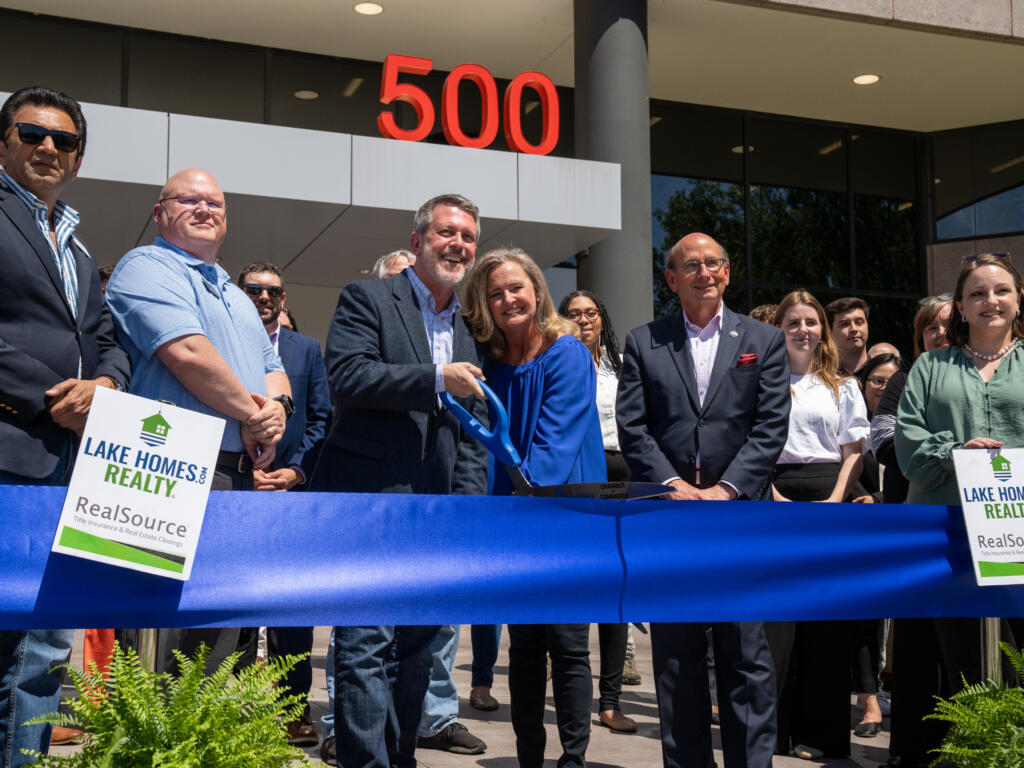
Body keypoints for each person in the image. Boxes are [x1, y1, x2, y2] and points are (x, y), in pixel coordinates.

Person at [310, 193, 489, 768]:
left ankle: (401, 756)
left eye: (467, 236)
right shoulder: (368, 297)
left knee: (416, 647)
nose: (456, 244)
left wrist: (464, 509)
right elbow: (351, 376)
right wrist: (437, 377)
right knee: (364, 644)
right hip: (369, 504)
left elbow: (472, 434)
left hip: (434, 516)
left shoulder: (469, 325)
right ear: (418, 241)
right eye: (445, 232)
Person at [106, 168, 292, 676]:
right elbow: (187, 353)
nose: (205, 210)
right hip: (165, 468)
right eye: (188, 200)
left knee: (221, 632)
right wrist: (257, 414)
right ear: (159, 212)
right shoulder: (145, 266)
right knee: (163, 638)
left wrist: (277, 413)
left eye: (215, 204)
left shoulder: (234, 293)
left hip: (234, 474)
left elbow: (274, 370)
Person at [616, 232, 790, 768]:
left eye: (713, 263)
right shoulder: (644, 342)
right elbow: (633, 428)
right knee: (677, 657)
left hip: (738, 519)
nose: (704, 272)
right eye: (690, 265)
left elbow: (769, 427)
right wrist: (674, 486)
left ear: (728, 272)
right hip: (672, 519)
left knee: (746, 655)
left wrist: (726, 488)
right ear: (671, 279)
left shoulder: (765, 338)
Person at [0, 85, 130, 768]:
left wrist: (105, 385)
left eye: (64, 140)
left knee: (47, 646)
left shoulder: (78, 250)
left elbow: (107, 341)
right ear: (4, 143)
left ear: (78, 160)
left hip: (70, 472)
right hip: (8, 454)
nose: (48, 147)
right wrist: (48, 397)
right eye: (31, 133)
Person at [463, 247, 604, 768]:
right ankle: (528, 758)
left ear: (537, 290)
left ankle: (573, 760)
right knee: (522, 648)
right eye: (495, 293)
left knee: (567, 645)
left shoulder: (568, 352)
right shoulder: (490, 364)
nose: (507, 299)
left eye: (515, 287)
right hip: (514, 520)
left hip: (564, 520)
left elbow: (554, 449)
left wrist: (516, 504)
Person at [893, 253, 1024, 766]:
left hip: (1018, 530)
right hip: (945, 531)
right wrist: (955, 454)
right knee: (962, 659)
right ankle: (975, 755)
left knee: (1019, 651)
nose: (990, 301)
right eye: (976, 293)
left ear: (1018, 300)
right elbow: (907, 442)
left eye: (1001, 291)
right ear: (960, 308)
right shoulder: (930, 367)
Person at [768, 290, 869, 760]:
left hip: (830, 496)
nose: (803, 329)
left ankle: (823, 735)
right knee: (779, 624)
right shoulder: (764, 384)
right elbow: (755, 446)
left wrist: (835, 499)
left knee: (827, 623)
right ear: (779, 328)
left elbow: (853, 452)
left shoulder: (843, 385)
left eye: (811, 321)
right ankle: (776, 731)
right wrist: (773, 495)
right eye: (793, 321)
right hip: (776, 497)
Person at [236, 261, 331, 746]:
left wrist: (294, 473)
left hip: (293, 494)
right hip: (235, 490)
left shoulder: (307, 351)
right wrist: (242, 473)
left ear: (284, 297)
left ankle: (293, 708)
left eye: (272, 291)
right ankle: (229, 703)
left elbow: (321, 419)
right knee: (235, 601)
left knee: (292, 603)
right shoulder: (222, 341)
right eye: (254, 289)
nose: (264, 297)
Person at [868, 294, 951, 768]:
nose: (939, 334)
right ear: (918, 336)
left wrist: (926, 447)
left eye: (946, 326)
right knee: (916, 643)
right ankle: (909, 751)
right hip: (912, 522)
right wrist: (940, 452)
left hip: (968, 524)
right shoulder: (905, 378)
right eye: (929, 328)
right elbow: (882, 441)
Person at [558, 289, 637, 733]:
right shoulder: (555, 358)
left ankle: (610, 701)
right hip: (574, 476)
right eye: (574, 314)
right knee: (574, 581)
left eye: (591, 313)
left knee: (614, 586)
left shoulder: (622, 365)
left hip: (618, 472)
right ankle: (571, 689)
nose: (584, 320)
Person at [826, 296, 870, 375]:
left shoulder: (883, 373)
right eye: (845, 324)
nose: (854, 329)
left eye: (859, 322)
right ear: (829, 332)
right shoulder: (820, 378)